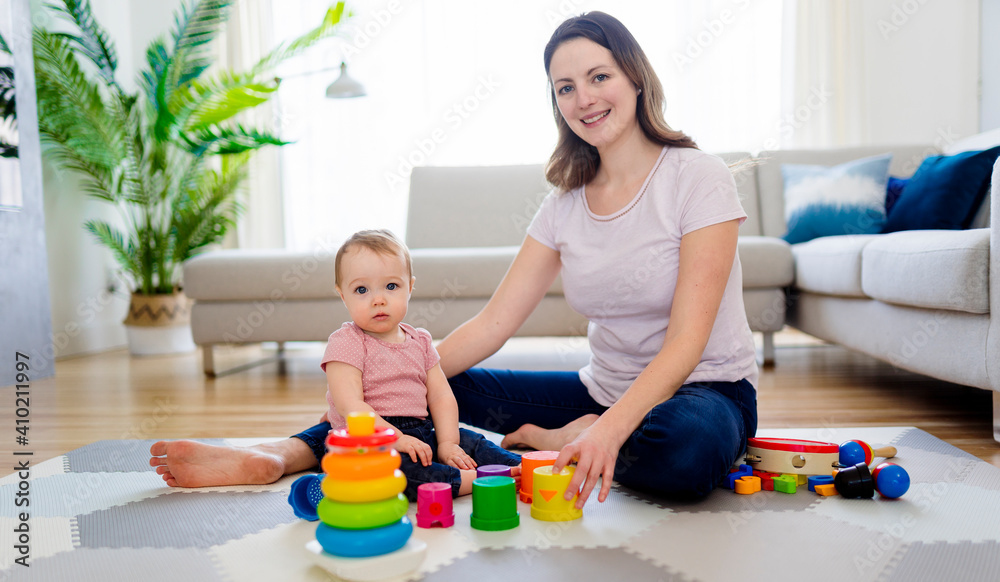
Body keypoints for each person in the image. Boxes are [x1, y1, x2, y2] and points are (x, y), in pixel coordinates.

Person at [150, 11, 757, 507]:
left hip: (704, 391)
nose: (584, 99)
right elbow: (493, 325)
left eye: (599, 77)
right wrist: (365, 386)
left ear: (635, 78)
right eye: (565, 87)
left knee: (687, 449)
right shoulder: (565, 206)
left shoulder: (697, 177)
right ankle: (283, 455)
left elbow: (687, 342)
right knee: (435, 385)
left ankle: (553, 445)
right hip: (599, 388)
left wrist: (600, 430)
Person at [153, 230, 522, 500]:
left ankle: (520, 467)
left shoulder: (421, 340)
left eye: (391, 287)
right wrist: (398, 438)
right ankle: (471, 482)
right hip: (365, 441)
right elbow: (353, 409)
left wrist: (448, 442)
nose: (378, 299)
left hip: (420, 429)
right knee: (399, 473)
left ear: (410, 286)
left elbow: (441, 398)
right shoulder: (346, 342)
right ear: (342, 295)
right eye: (362, 290)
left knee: (475, 441)